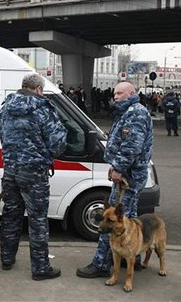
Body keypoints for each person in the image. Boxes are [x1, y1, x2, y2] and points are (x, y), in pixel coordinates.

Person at [77, 81, 153, 278]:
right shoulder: (129, 112)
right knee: (130, 217)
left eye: (120, 93)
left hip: (128, 175)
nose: (115, 96)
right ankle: (133, 258)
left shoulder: (135, 113)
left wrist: (118, 167)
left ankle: (101, 264)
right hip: (128, 173)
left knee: (112, 219)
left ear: (131, 93)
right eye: (115, 93)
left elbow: (132, 146)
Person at [0, 72, 67, 281]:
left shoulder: (5, 109)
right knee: (37, 220)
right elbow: (58, 144)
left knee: (10, 215)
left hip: (10, 169)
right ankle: (40, 268)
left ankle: (6, 259)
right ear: (38, 89)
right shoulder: (42, 110)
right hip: (34, 173)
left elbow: (1, 134)